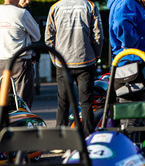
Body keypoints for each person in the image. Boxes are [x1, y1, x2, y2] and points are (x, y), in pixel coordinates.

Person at [45, 0, 104, 136]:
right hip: (86, 60)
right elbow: (98, 35)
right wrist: (96, 56)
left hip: (63, 62)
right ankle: (87, 137)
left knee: (63, 103)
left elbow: (49, 37)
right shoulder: (90, 5)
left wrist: (55, 59)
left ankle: (60, 139)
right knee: (86, 103)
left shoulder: (56, 7)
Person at [108, 0, 145, 135]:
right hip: (134, 68)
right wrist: (133, 42)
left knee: (138, 119)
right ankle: (129, 152)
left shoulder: (135, 4)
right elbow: (121, 25)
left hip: (141, 66)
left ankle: (135, 151)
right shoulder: (127, 2)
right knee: (132, 120)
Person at [0, 0, 40, 108]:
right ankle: (21, 124)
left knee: (3, 101)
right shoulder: (22, 13)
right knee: (22, 101)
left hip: (2, 61)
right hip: (21, 60)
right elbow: (37, 36)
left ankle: (3, 123)